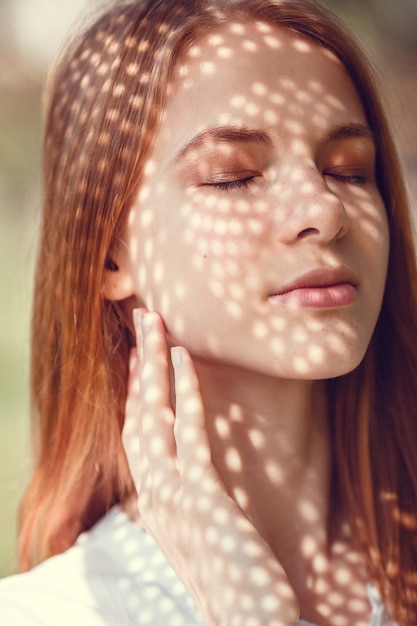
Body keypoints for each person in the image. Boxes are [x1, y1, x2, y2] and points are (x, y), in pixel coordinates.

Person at [1, 0, 417, 624]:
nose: (324, 210)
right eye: (233, 178)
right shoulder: (58, 611)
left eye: (349, 171)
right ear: (109, 256)